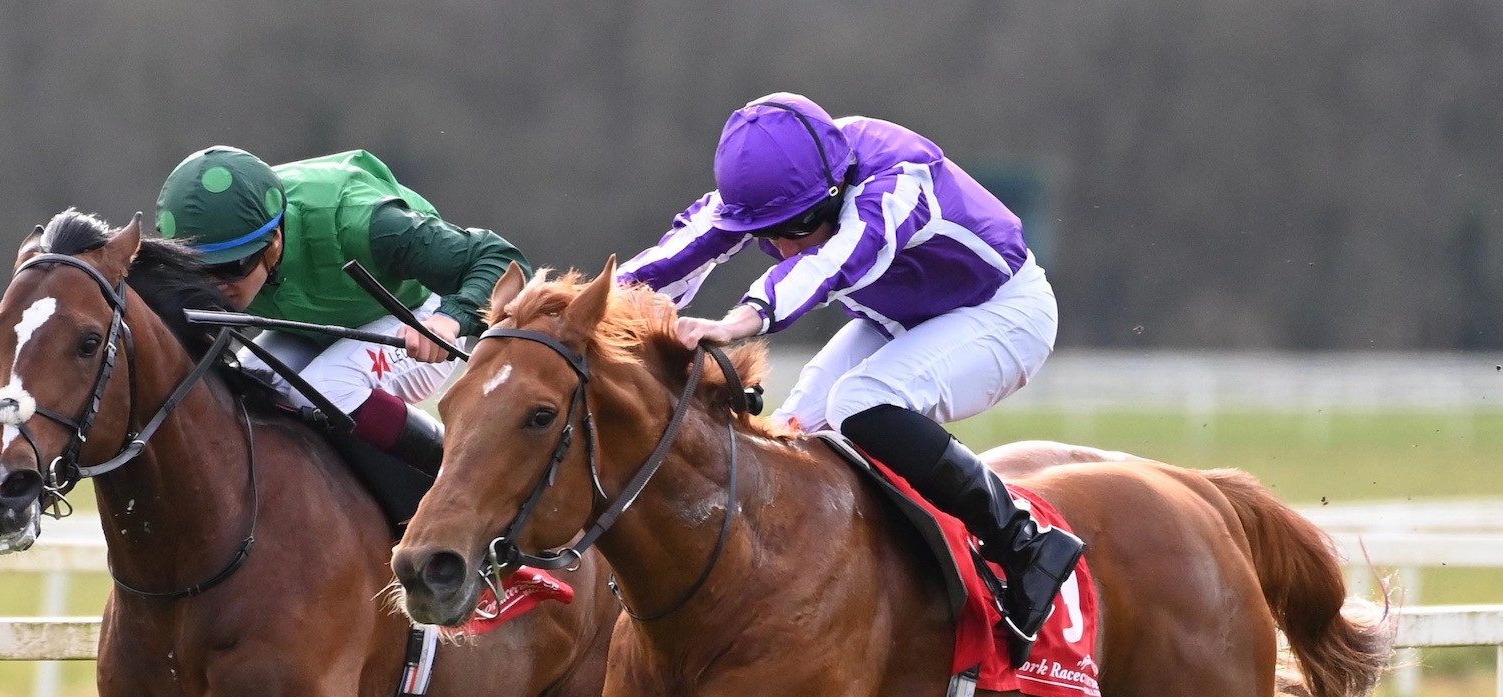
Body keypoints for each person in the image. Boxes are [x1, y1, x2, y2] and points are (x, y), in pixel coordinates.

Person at [618, 94, 1083, 658]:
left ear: (834, 192)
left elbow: (832, 262)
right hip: (903, 317)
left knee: (861, 402)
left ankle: (1024, 544)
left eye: (798, 226)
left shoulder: (898, 179)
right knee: (796, 428)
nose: (785, 243)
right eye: (770, 232)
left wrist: (741, 318)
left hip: (1004, 310)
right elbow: (683, 250)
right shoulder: (783, 178)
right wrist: (580, 310)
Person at [155, 145, 524, 479]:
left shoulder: (366, 223)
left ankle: (464, 483)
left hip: (416, 316)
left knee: (326, 390)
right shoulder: (228, 246)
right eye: (198, 270)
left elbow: (497, 256)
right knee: (245, 390)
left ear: (275, 240)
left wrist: (448, 320)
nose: (216, 287)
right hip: (313, 325)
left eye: (232, 267)